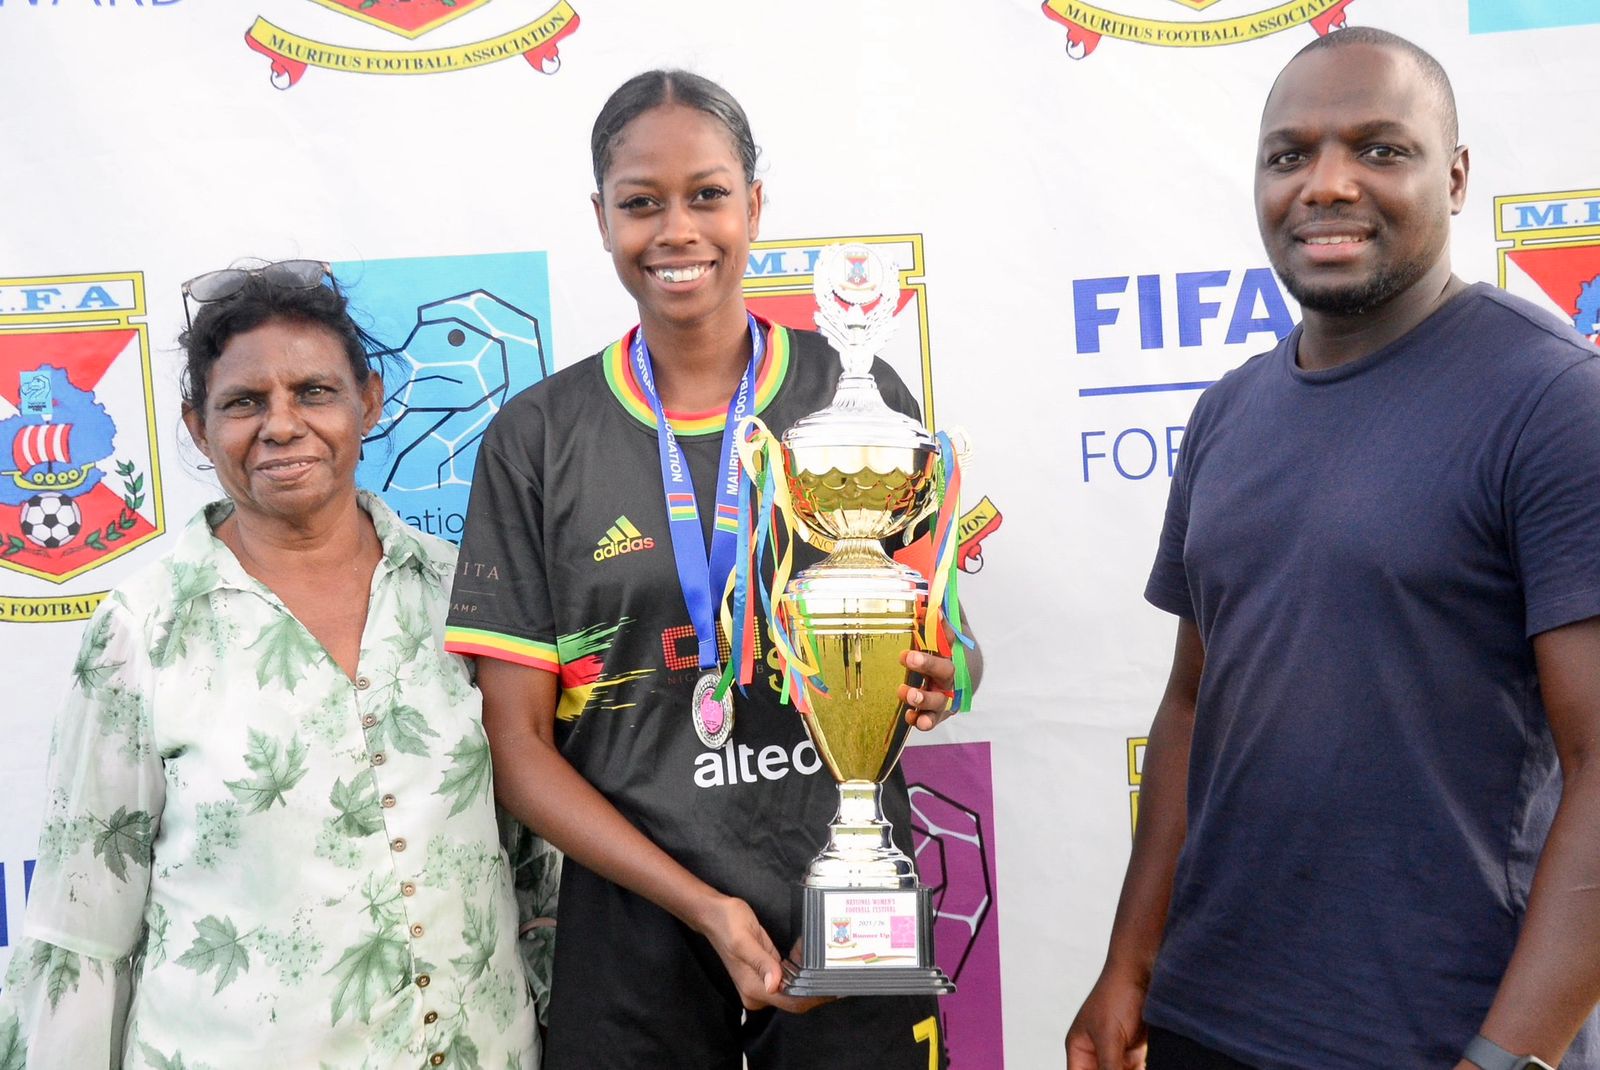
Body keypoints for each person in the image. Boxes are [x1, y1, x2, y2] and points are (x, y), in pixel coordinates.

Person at [1066, 27, 1600, 1070]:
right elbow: (1191, 705)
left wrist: (1507, 1057)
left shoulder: (1551, 402)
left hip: (1439, 1038)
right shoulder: (1226, 413)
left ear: (1456, 177)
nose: (1326, 184)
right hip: (1206, 1020)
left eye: (1379, 149)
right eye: (1289, 155)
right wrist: (1128, 967)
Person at [443, 70, 979, 1069]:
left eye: (707, 195)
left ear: (755, 205)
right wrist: (701, 904)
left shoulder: (854, 398)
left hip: (843, 900)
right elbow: (515, 747)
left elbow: (937, 637)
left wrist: (950, 673)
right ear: (601, 219)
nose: (677, 230)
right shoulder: (540, 437)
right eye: (642, 202)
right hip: (634, 917)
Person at [0, 264, 538, 1068]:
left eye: (314, 392)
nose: (281, 425)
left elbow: (536, 869)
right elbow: (82, 927)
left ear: (369, 403)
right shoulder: (145, 631)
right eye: (244, 403)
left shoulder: (462, 593)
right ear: (197, 427)